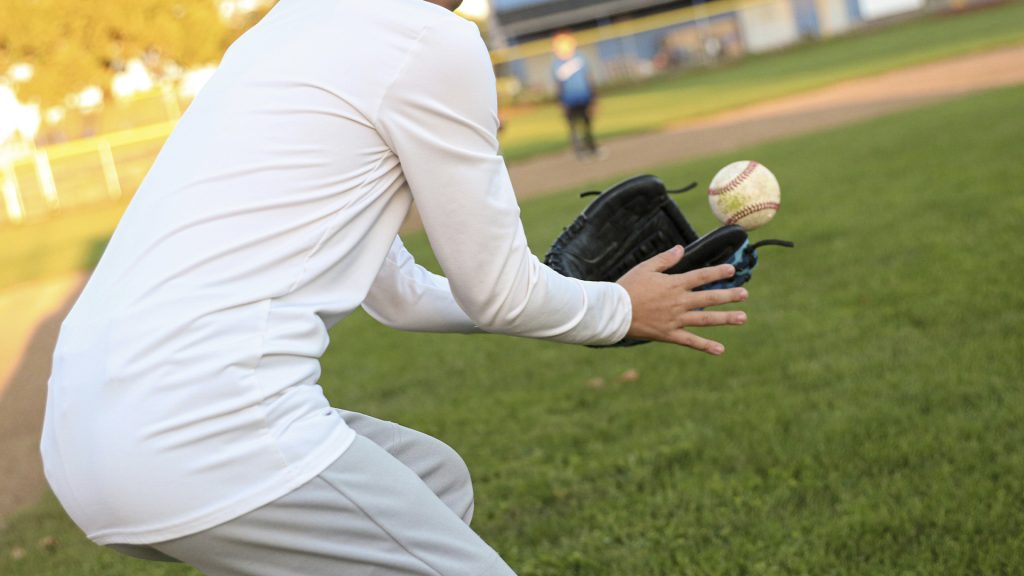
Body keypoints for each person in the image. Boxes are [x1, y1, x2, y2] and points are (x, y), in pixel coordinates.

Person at [40, 1, 749, 574]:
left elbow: (400, 293)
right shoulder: (427, 39)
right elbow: (501, 294)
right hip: (212, 434)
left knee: (432, 480)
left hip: (85, 443)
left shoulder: (284, 30)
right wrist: (619, 308)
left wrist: (566, 293)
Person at [551, 31, 602, 160]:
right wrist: (560, 101)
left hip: (584, 97)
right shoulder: (556, 63)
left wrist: (594, 98)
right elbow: (558, 85)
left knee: (587, 124)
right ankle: (579, 151)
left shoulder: (580, 57)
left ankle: (592, 147)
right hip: (569, 100)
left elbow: (589, 77)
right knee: (573, 127)